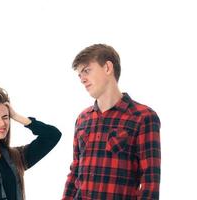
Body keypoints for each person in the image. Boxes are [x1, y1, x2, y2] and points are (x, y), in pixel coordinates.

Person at [62, 44, 161, 200]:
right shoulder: (82, 119)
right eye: (79, 75)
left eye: (86, 71)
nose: (82, 79)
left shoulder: (143, 117)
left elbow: (150, 181)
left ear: (108, 67)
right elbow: (75, 171)